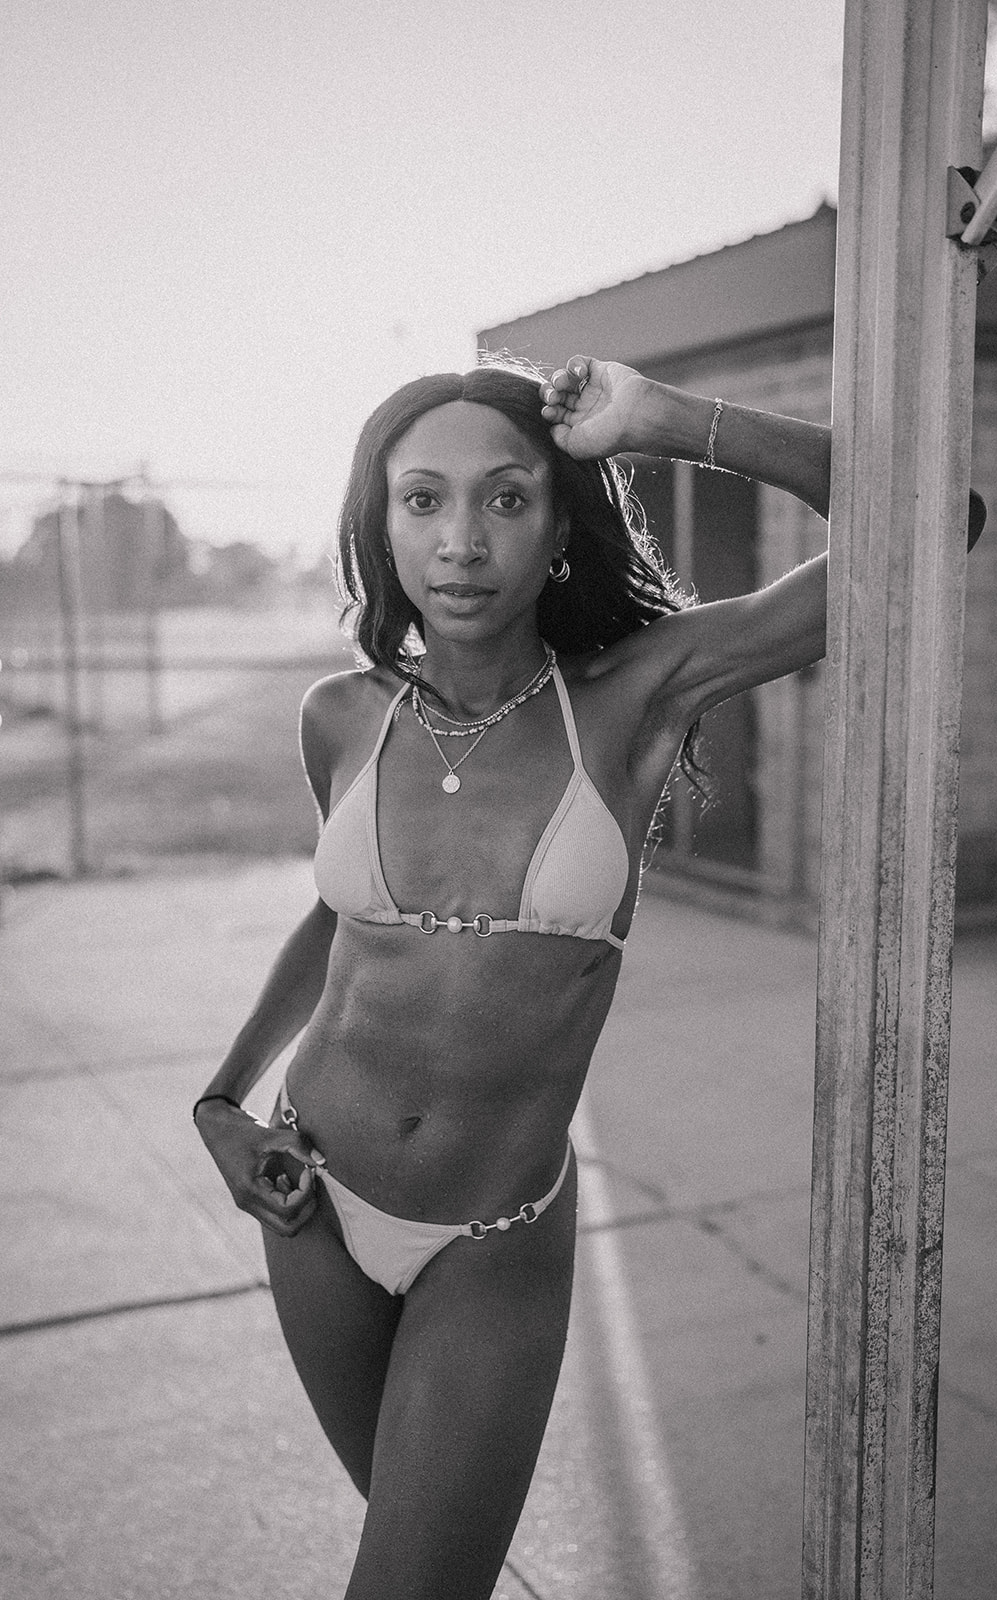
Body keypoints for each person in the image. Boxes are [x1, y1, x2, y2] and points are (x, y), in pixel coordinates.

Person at [189, 352, 857, 1599]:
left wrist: (662, 418)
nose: (460, 540)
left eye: (505, 497)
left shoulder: (634, 696)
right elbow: (340, 920)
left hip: (488, 1241)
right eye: (422, 499)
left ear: (558, 529)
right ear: (381, 526)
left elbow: (930, 522)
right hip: (311, 1203)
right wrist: (222, 1101)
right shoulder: (340, 716)